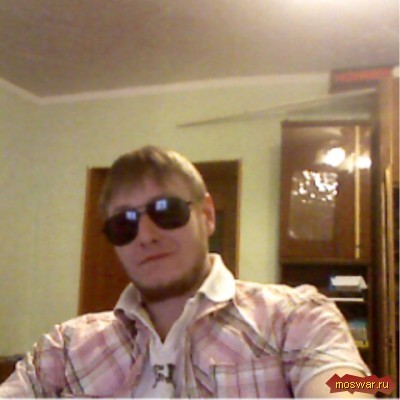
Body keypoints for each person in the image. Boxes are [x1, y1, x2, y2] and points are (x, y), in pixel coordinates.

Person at [0, 145, 372, 398]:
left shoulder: (297, 317)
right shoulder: (64, 348)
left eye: (167, 211)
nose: (146, 235)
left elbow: (349, 385)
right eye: (124, 224)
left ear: (207, 215)